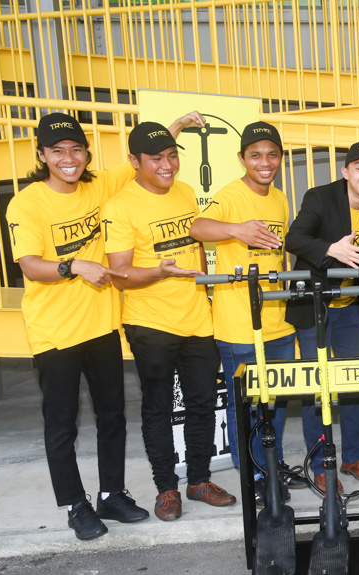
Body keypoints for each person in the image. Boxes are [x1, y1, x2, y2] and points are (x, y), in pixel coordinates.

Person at [7, 113, 202, 539]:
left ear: (86, 153)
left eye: (76, 149)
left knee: (112, 415)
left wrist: (177, 127)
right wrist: (74, 264)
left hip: (101, 326)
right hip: (54, 332)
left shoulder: (99, 186)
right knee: (62, 425)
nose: (68, 158)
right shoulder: (26, 203)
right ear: (41, 155)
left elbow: (150, 156)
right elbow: (30, 265)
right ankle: (76, 505)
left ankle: (111, 493)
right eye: (57, 151)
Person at [106, 120, 237, 522]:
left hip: (197, 317)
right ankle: (166, 488)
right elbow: (119, 273)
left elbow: (195, 248)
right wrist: (160, 272)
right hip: (150, 322)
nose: (167, 165)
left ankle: (198, 481)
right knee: (158, 408)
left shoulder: (182, 191)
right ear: (134, 161)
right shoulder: (120, 206)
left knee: (201, 404)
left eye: (171, 155)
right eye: (155, 158)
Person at [190, 121, 307, 506]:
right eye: (255, 154)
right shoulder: (230, 194)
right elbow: (198, 227)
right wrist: (236, 230)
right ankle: (254, 475)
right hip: (240, 324)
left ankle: (271, 465)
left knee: (273, 403)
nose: (264, 161)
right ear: (242, 158)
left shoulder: (280, 197)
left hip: (277, 322)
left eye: (272, 154)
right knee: (247, 406)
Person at [284, 140, 359, 493]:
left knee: (355, 383)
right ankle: (320, 463)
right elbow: (294, 238)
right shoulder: (320, 197)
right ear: (345, 172)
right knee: (318, 388)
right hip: (315, 307)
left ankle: (354, 457)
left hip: (350, 308)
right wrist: (331, 249)